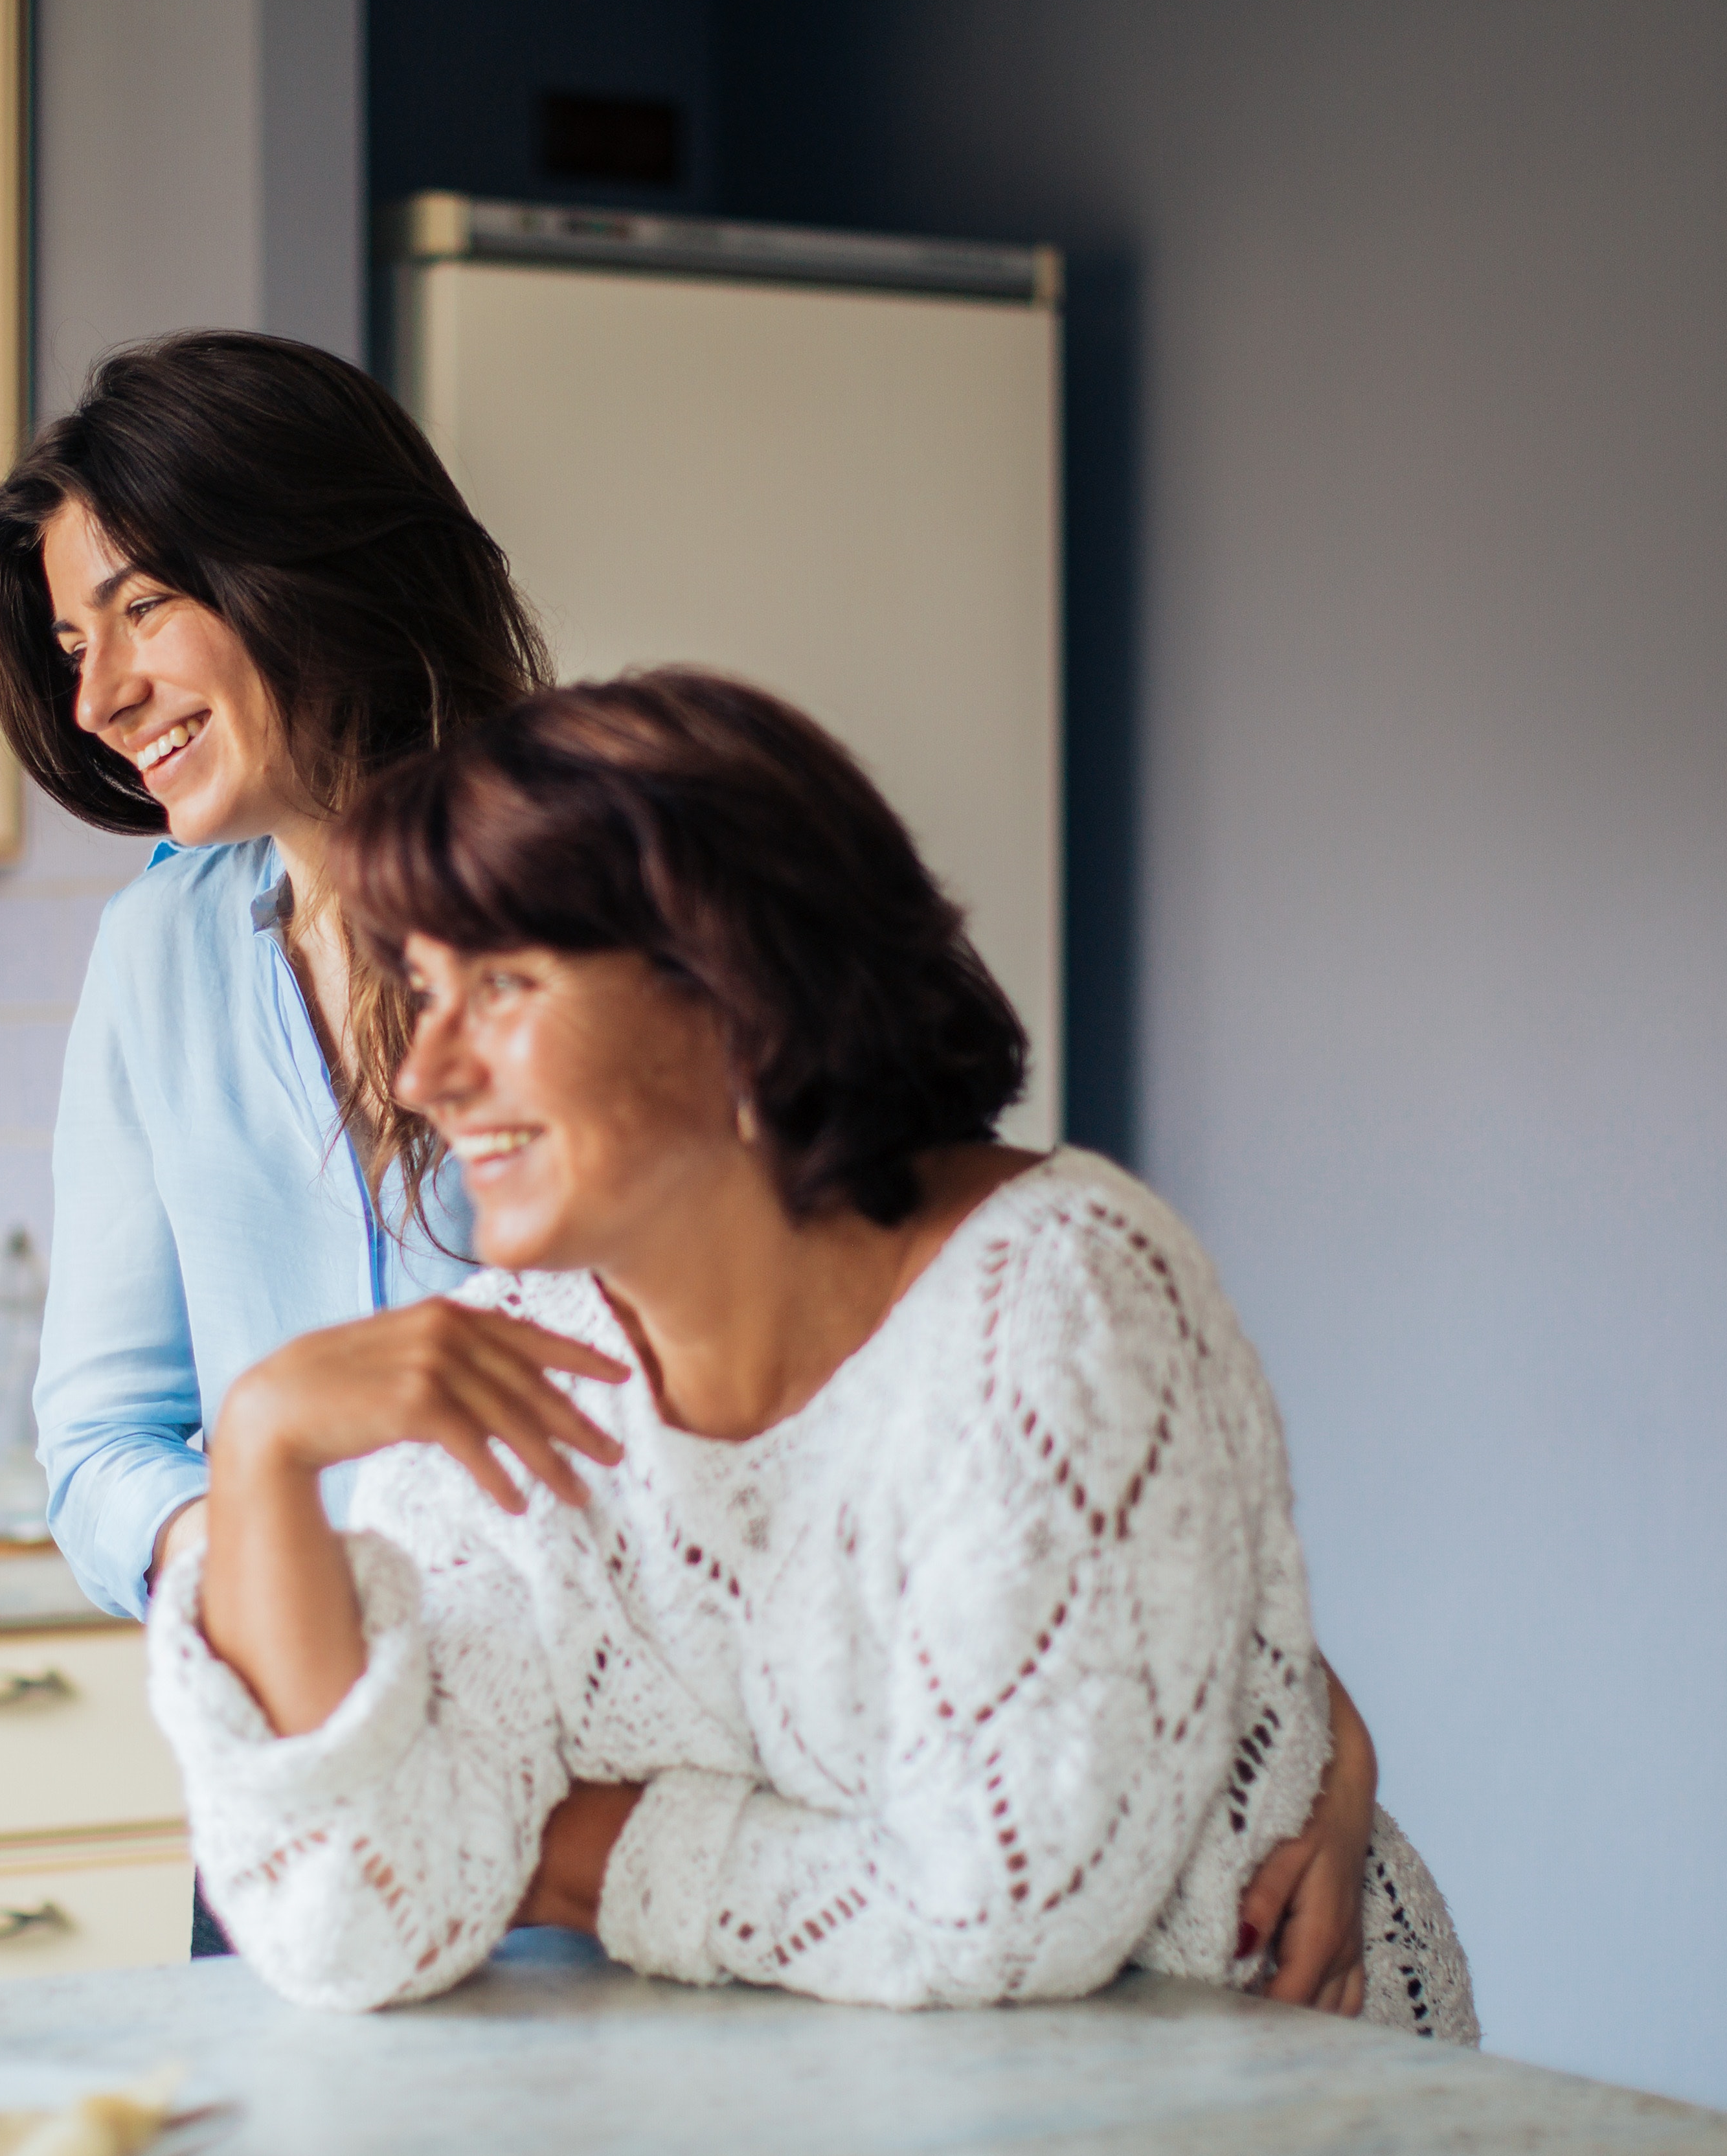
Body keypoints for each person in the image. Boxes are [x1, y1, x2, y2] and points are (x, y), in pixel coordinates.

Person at [0, 332, 1392, 2010]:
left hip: (734, 1812)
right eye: (71, 643)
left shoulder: (616, 857)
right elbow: (99, 1440)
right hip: (361, 1770)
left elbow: (956, 1385)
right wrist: (295, 1549)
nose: (97, 696)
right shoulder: (162, 960)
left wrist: (1287, 1722)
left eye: (140, 609)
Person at [138, 673, 1478, 2025]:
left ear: (731, 993)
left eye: (500, 985)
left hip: (1259, 2142)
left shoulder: (1056, 1291)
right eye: (419, 988)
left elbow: (998, 1920)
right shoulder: (514, 1370)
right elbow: (353, 1914)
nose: (424, 1072)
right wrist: (261, 1447)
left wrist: (559, 1853)